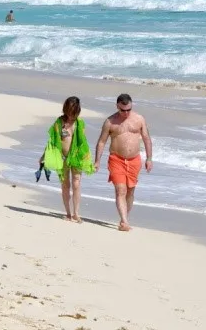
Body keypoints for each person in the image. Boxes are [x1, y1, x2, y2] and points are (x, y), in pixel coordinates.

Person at [94, 93, 153, 232]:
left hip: (134, 160)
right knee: (121, 189)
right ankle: (125, 222)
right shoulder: (110, 121)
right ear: (117, 107)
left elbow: (146, 138)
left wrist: (149, 158)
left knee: (130, 191)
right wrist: (97, 161)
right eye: (123, 110)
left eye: (128, 110)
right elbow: (101, 142)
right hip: (116, 159)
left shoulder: (139, 119)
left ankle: (124, 218)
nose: (126, 113)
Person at [39, 96, 94, 223]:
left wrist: (88, 159)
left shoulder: (80, 123)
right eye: (69, 112)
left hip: (76, 157)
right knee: (65, 185)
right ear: (65, 109)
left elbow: (83, 143)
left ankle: (76, 213)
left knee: (76, 184)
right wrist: (43, 156)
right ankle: (68, 213)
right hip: (62, 158)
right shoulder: (59, 123)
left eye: (73, 113)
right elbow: (52, 142)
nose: (70, 116)